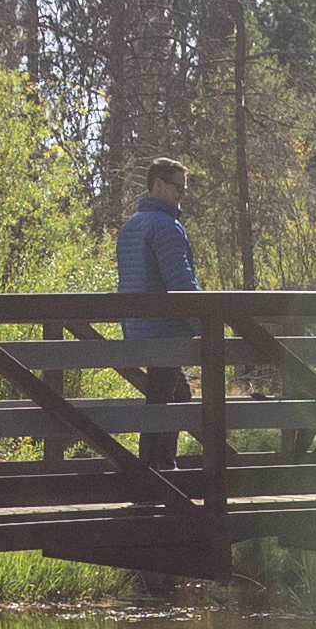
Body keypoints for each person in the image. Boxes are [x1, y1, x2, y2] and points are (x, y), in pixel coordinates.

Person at [113, 159, 201, 471]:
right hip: (165, 331)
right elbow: (181, 285)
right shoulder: (166, 227)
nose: (182, 195)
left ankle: (157, 469)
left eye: (184, 188)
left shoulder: (131, 225)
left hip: (139, 328)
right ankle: (157, 473)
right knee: (165, 401)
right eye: (178, 187)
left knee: (173, 394)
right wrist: (204, 325)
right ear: (158, 185)